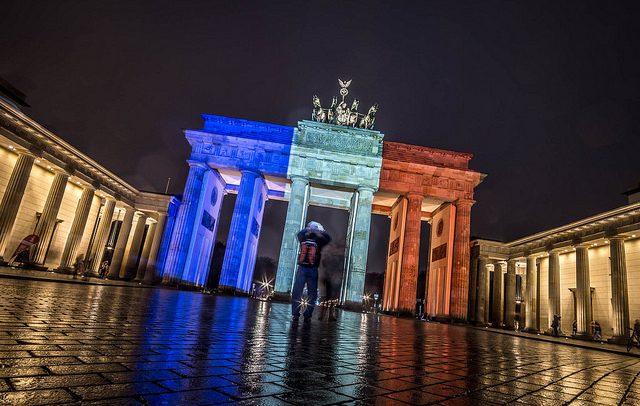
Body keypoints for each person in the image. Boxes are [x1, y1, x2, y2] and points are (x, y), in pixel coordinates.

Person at [291, 221, 331, 323]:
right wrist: (313, 230)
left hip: (308, 269)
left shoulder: (316, 240)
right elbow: (299, 234)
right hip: (307, 269)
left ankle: (303, 315)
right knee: (307, 293)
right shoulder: (305, 237)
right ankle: (302, 315)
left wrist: (319, 231)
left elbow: (328, 238)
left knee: (305, 293)